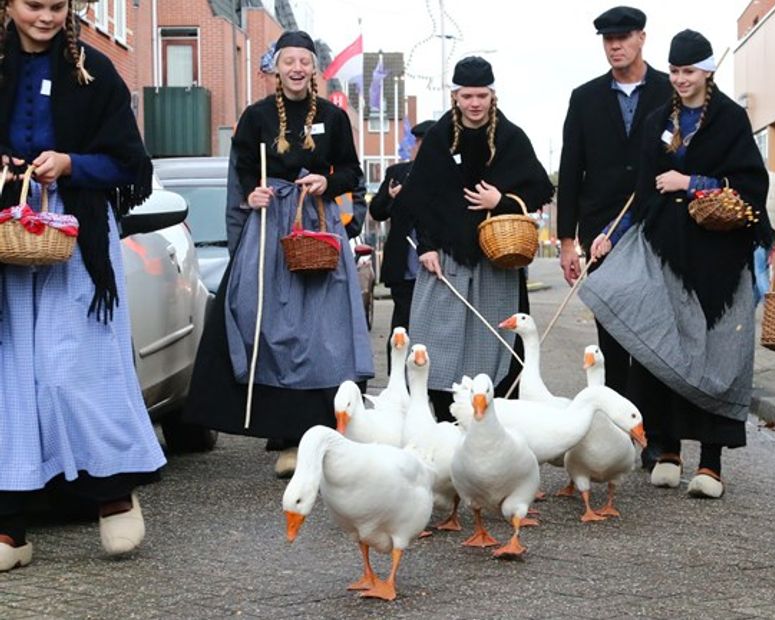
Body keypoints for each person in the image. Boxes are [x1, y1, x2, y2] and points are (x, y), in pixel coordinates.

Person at [0, 0, 164, 570]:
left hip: (78, 239)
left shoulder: (94, 69)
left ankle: (114, 494)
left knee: (78, 368)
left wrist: (71, 164)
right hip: (7, 238)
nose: (45, 17)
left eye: (56, 6)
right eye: (32, 5)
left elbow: (131, 163)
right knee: (11, 376)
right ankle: (10, 527)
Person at [581, 30, 769, 500]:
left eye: (690, 72)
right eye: (676, 72)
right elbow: (642, 193)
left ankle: (711, 461)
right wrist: (611, 237)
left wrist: (691, 181)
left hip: (719, 256)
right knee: (660, 346)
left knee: (714, 352)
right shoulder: (655, 121)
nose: (682, 80)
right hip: (665, 248)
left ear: (707, 71)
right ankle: (666, 449)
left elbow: (751, 182)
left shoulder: (730, 118)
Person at [182, 30, 373, 478]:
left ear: (314, 68)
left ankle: (320, 427)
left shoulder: (333, 117)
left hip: (316, 225)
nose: (297, 69)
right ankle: (282, 431)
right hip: (269, 231)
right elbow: (242, 173)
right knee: (264, 322)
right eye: (289, 61)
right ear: (276, 66)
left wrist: (329, 182)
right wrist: (253, 196)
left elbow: (351, 171)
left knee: (321, 332)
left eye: (305, 61)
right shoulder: (256, 117)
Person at [395, 56, 553, 419]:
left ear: (492, 94)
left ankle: (494, 414)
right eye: (467, 96)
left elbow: (539, 187)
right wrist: (428, 246)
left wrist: (500, 202)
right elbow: (420, 195)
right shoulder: (438, 137)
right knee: (437, 335)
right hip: (447, 255)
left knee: (495, 341)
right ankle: (444, 416)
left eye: (481, 95)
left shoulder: (510, 137)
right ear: (455, 96)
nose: (474, 103)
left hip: (496, 257)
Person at [557, 6, 671, 410]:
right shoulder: (584, 98)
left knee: (654, 330)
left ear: (642, 37)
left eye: (623, 37)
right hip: (601, 231)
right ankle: (620, 426)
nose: (615, 46)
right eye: (608, 39)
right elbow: (570, 170)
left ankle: (654, 429)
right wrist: (568, 241)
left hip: (658, 226)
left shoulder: (669, 90)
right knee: (613, 332)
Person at [369, 119, 435, 361]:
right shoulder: (397, 173)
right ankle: (398, 382)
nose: (419, 147)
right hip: (404, 267)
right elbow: (377, 211)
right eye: (417, 142)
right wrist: (390, 195)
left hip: (437, 267)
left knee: (434, 329)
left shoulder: (447, 175)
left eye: (424, 142)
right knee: (402, 326)